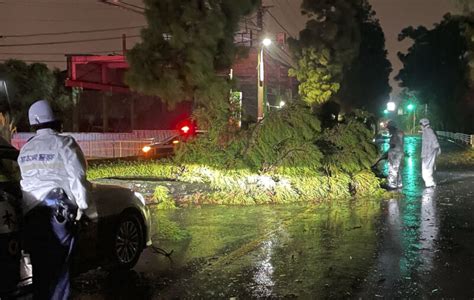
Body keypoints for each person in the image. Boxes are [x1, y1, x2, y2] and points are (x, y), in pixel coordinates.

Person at [17, 100, 88, 300]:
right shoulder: (65, 143)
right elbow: (78, 177)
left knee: (40, 269)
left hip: (32, 213)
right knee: (60, 269)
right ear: (55, 121)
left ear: (34, 123)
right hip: (58, 211)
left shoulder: (26, 149)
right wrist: (83, 208)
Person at [419, 118, 441, 188]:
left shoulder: (428, 131)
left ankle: (430, 183)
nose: (420, 126)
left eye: (420, 124)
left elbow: (434, 140)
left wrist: (437, 148)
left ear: (423, 124)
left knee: (427, 168)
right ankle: (430, 182)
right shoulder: (427, 131)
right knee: (427, 167)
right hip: (428, 153)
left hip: (429, 153)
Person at [385, 120, 405, 190]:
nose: (388, 130)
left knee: (393, 169)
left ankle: (392, 185)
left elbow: (394, 144)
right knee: (397, 169)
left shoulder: (397, 133)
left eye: (389, 128)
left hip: (395, 154)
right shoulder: (398, 133)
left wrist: (390, 147)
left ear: (392, 127)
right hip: (397, 153)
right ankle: (399, 183)